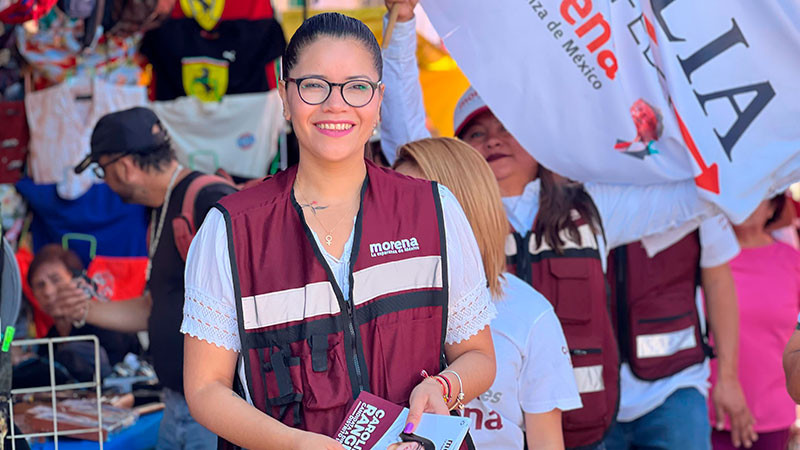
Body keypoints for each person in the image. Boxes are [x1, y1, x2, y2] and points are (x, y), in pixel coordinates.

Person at [379, 2, 745, 448]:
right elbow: (406, 134)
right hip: (493, 421)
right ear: (458, 154)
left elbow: (698, 195)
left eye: (507, 128)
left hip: (591, 421)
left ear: (537, 140)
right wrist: (400, 25)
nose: (493, 138)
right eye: (476, 132)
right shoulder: (450, 210)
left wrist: (765, 153)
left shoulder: (590, 207)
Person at [180, 12, 496, 450]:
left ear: (379, 99)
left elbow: (478, 356)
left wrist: (444, 388)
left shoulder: (434, 208)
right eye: (314, 85)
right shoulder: (230, 229)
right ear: (285, 95)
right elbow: (205, 390)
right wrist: (298, 445)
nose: (336, 104)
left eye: (357, 87)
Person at [56, 106, 238, 449]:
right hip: (177, 402)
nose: (105, 182)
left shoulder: (206, 201)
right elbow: (157, 306)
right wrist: (83, 309)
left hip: (216, 408)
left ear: (123, 167)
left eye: (101, 170)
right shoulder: (161, 209)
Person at [393, 137, 582, 450]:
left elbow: (546, 441)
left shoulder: (531, 314)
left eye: (412, 203)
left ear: (464, 208)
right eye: (389, 200)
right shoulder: (368, 301)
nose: (394, 218)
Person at [605, 216, 751, 450]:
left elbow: (718, 280)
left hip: (675, 387)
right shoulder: (571, 186)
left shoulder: (695, 190)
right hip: (592, 396)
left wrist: (728, 377)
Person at [709, 196, 800, 449]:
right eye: (743, 195)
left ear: (773, 206)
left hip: (774, 415)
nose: (747, 205)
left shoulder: (793, 261)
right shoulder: (707, 261)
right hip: (712, 411)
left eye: (759, 197)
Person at [27, 244, 140, 380]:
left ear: (78, 281)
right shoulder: (49, 340)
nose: (48, 292)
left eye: (56, 280)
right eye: (40, 285)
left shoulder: (107, 326)